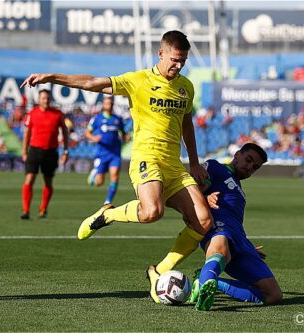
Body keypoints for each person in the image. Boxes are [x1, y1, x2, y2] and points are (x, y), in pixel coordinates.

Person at [20, 30, 213, 303]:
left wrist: (194, 162)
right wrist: (51, 77)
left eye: (183, 61)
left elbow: (186, 123)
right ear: (160, 54)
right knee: (152, 212)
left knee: (204, 221)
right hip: (147, 157)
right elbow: (91, 83)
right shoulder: (138, 80)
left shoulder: (186, 87)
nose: (178, 65)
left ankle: (158, 272)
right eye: (174, 59)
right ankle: (107, 215)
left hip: (174, 164)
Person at [187, 143, 282, 311]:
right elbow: (188, 188)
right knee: (221, 246)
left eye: (255, 167)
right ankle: (207, 280)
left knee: (274, 295)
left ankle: (211, 283)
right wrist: (204, 198)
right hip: (218, 228)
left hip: (240, 239)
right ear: (237, 154)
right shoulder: (215, 167)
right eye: (248, 160)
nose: (250, 167)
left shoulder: (240, 191)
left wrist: (247, 245)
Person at [21, 89, 69, 219]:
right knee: (29, 180)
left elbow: (65, 132)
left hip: (51, 152)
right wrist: (24, 151)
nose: (46, 100)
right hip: (34, 151)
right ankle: (26, 211)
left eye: (47, 98)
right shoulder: (32, 114)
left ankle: (43, 209)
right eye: (43, 98)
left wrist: (66, 151)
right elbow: (27, 134)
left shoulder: (58, 114)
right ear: (39, 99)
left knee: (48, 182)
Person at [86, 95, 130, 205]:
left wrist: (126, 137)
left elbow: (123, 133)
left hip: (115, 153)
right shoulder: (97, 119)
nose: (109, 105)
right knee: (99, 183)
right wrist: (93, 138)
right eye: (106, 103)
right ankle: (95, 172)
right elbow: (87, 132)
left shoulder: (117, 119)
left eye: (110, 103)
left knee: (114, 175)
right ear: (103, 105)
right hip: (102, 153)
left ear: (112, 105)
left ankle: (108, 201)